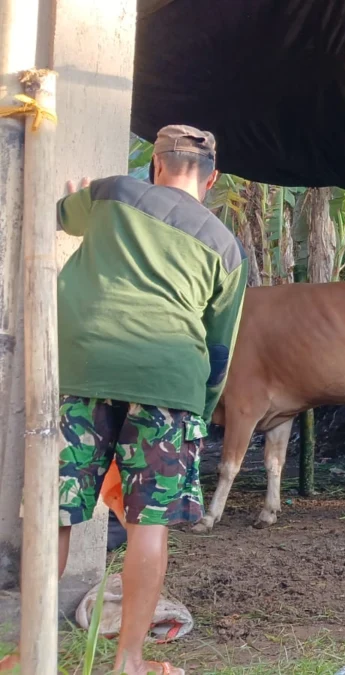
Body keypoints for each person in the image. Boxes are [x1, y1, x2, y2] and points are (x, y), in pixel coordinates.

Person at [0, 125, 249, 675]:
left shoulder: (113, 192)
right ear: (210, 180)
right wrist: (199, 412)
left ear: (156, 165)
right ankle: (130, 661)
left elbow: (64, 215)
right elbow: (220, 344)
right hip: (170, 386)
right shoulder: (226, 247)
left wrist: (82, 193)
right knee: (148, 523)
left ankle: (26, 654)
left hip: (84, 370)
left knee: (55, 514)